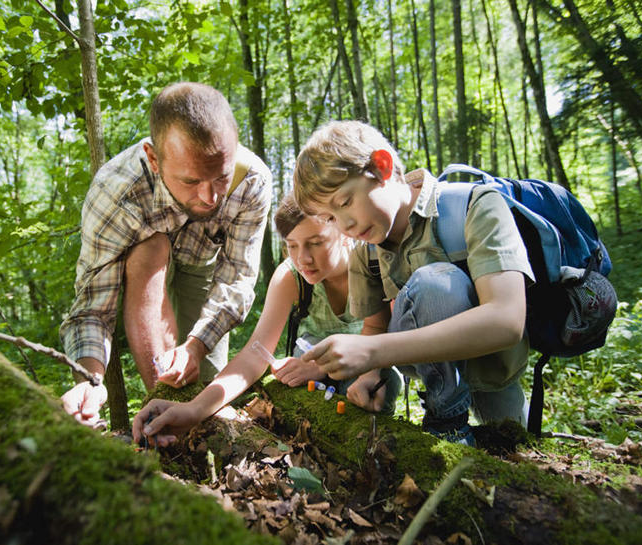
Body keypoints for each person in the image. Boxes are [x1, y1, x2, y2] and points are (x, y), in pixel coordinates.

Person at [292, 120, 535, 445]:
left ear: (382, 166)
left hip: (493, 368)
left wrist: (372, 352)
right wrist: (370, 374)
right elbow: (375, 326)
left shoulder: (475, 206)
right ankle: (447, 423)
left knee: (518, 447)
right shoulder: (366, 252)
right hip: (435, 378)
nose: (345, 225)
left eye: (346, 202)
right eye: (331, 218)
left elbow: (507, 320)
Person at [59, 82, 272, 427]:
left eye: (221, 177)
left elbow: (237, 277)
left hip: (202, 268)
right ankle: (162, 410)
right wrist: (90, 380)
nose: (210, 198)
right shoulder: (116, 193)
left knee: (206, 390)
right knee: (151, 247)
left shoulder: (252, 181)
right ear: (154, 159)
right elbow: (93, 307)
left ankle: (201, 434)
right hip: (144, 271)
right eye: (191, 181)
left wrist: (196, 346)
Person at [133, 195, 401, 447]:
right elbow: (255, 355)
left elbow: (384, 335)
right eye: (292, 245)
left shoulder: (371, 265)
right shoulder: (291, 276)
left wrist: (322, 368)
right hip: (308, 363)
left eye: (316, 243)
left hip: (369, 362)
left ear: (344, 232)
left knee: (380, 386)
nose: (303, 259)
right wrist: (194, 409)